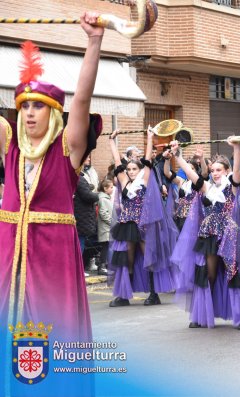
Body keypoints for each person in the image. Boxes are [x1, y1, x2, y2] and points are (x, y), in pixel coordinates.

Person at [0, 16, 105, 395]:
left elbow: (82, 98)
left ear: (53, 113)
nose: (29, 113)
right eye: (24, 105)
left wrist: (93, 42)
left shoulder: (67, 150)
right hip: (8, 267)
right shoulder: (10, 146)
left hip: (51, 267)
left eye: (38, 107)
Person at [170, 139, 240, 330]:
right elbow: (191, 175)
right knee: (208, 273)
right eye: (213, 170)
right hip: (209, 235)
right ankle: (201, 315)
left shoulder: (233, 186)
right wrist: (178, 155)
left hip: (230, 235)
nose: (215, 173)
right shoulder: (207, 187)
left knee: (233, 274)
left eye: (219, 170)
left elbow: (238, 173)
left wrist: (236, 148)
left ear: (226, 170)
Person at [108, 127, 177, 307]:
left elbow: (147, 161)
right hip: (127, 225)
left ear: (139, 170)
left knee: (148, 259)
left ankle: (154, 294)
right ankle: (124, 295)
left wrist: (150, 137)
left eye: (133, 169)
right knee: (126, 259)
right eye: (129, 169)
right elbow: (117, 162)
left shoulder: (144, 180)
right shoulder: (124, 182)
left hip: (144, 224)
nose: (130, 171)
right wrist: (111, 141)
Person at [74, 169, 99, 277]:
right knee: (80, 244)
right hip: (81, 216)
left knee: (80, 242)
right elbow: (87, 195)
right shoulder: (79, 178)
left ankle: (78, 269)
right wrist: (99, 195)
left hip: (79, 216)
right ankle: (78, 270)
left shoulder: (77, 177)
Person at [96, 179, 113, 276]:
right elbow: (103, 213)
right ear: (105, 188)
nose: (112, 189)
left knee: (106, 247)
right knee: (105, 247)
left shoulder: (106, 198)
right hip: (105, 228)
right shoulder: (103, 199)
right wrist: (112, 222)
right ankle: (102, 266)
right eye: (110, 187)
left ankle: (104, 265)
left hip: (107, 228)